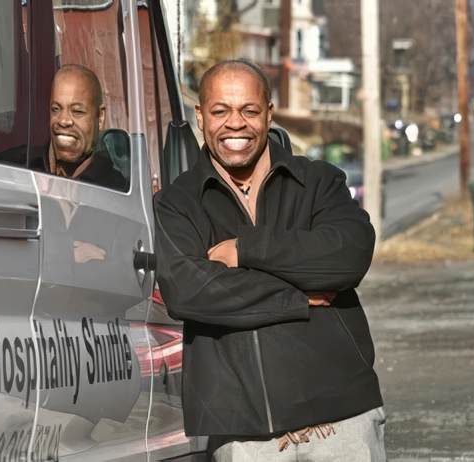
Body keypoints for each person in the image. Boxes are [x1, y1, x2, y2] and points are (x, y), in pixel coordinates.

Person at [153, 59, 385, 461]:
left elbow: (348, 256)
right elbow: (189, 291)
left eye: (249, 110)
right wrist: (298, 295)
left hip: (343, 420)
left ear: (269, 113)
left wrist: (246, 250)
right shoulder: (176, 203)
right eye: (220, 110)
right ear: (200, 115)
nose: (235, 123)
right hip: (246, 436)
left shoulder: (319, 182)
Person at [0, 64, 128, 191]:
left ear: (100, 117)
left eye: (77, 111)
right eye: (56, 109)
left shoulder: (115, 188)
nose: (63, 121)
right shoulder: (15, 166)